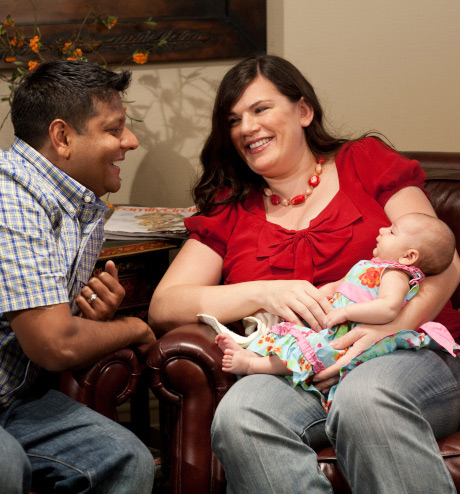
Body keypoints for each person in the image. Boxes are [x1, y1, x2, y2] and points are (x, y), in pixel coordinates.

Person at [149, 54, 460, 493]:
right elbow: (165, 304)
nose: (246, 128)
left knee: (364, 399)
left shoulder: (365, 162)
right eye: (234, 119)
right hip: (300, 370)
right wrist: (266, 292)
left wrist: (389, 328)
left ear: (303, 111)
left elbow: (444, 265)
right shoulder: (230, 206)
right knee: (241, 416)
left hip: (409, 354)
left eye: (260, 109)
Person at [0, 60, 155, 493]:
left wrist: (89, 320)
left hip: (14, 402)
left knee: (123, 459)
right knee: (5, 463)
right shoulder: (10, 200)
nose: (131, 140)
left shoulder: (74, 203)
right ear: (62, 137)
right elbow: (54, 344)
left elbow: (52, 333)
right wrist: (132, 327)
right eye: (114, 129)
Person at [215, 212, 458, 412]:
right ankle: (255, 353)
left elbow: (388, 308)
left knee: (305, 352)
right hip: (334, 325)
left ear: (408, 256)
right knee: (289, 338)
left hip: (350, 335)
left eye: (392, 231)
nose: (382, 230)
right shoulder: (370, 266)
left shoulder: (395, 274)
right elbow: (340, 285)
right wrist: (321, 295)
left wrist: (345, 313)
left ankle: (253, 366)